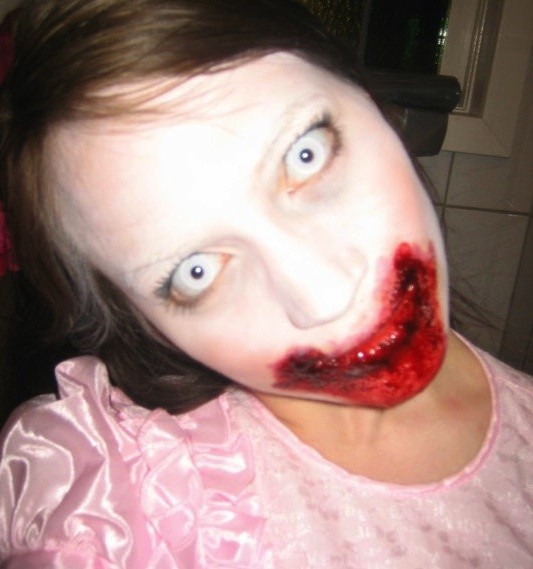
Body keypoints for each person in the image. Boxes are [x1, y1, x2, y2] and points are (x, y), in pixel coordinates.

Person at [0, 0, 531, 567]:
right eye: (196, 272)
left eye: (306, 155)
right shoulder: (130, 513)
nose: (327, 298)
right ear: (148, 329)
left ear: (371, 99)